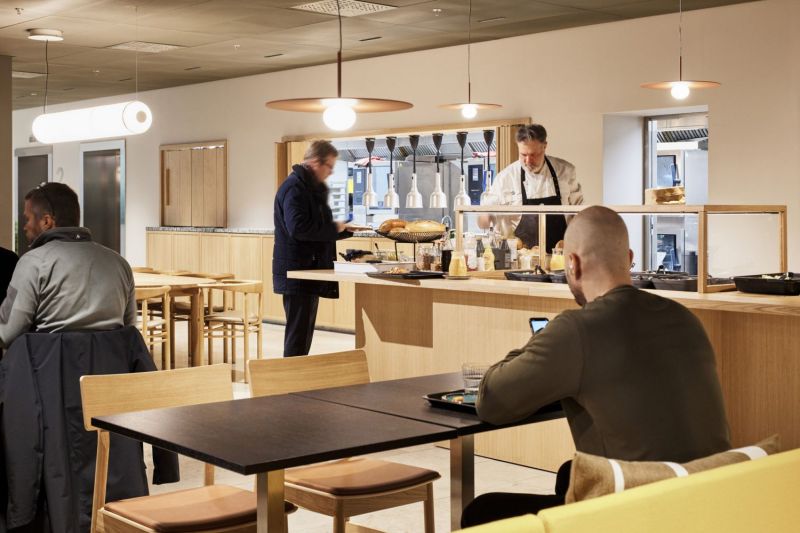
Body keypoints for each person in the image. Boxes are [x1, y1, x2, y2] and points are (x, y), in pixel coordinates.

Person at [462, 206, 730, 527]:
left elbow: (491, 401)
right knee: (568, 475)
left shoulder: (577, 330)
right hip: (708, 506)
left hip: (635, 516)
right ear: (629, 258)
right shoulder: (686, 320)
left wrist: (544, 339)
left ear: (572, 264)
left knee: (482, 511)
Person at [0, 182, 136, 348]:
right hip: (112, 363)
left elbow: (6, 334)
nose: (24, 226)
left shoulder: (32, 263)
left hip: (49, 364)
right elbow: (129, 332)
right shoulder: (120, 264)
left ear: (46, 221)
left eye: (27, 219)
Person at [273, 140, 356, 357]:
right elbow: (298, 228)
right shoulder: (295, 188)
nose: (330, 172)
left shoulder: (308, 187)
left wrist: (344, 230)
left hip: (306, 270)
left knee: (302, 334)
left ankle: (296, 374)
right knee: (298, 336)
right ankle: (292, 376)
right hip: (298, 272)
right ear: (315, 162)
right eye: (329, 166)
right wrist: (335, 228)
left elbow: (315, 227)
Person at [479, 124, 583, 251]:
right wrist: (485, 217)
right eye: (523, 155)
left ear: (544, 146)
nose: (528, 161)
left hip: (561, 255)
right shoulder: (505, 178)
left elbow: (580, 213)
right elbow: (484, 216)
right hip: (519, 257)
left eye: (533, 155)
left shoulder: (565, 171)